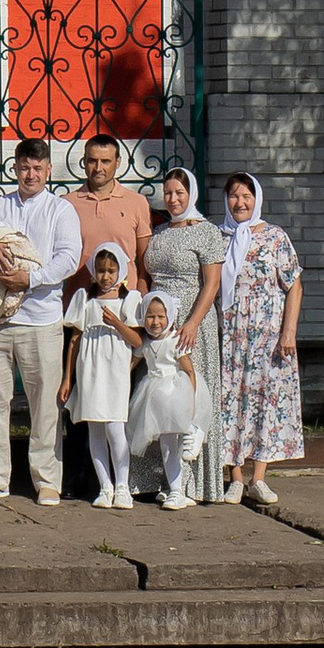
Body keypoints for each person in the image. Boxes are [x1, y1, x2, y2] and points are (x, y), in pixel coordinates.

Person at [0, 135, 82, 502]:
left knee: (45, 403)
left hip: (41, 318)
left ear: (48, 170)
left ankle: (47, 480)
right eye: (24, 168)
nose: (30, 174)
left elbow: (68, 257)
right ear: (14, 169)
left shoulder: (59, 210)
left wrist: (30, 278)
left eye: (37, 168)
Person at [210, 170, 304, 505]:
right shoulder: (216, 237)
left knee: (265, 400)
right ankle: (234, 476)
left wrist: (288, 332)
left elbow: (294, 286)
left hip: (268, 335)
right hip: (231, 336)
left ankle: (259, 477)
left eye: (246, 196)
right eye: (234, 195)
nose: (240, 202)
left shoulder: (275, 237)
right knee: (231, 401)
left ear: (257, 199)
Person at [143, 165, 229, 507]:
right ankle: (169, 479)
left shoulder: (206, 232)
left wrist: (192, 323)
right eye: (168, 193)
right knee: (162, 400)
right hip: (160, 326)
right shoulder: (160, 232)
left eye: (179, 193)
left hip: (193, 326)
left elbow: (212, 283)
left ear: (191, 194)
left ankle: (195, 484)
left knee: (191, 399)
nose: (173, 199)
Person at [61, 241, 145, 507]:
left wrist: (116, 322)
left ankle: (123, 485)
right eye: (100, 271)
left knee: (115, 427)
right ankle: (105, 486)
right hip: (90, 369)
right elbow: (74, 339)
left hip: (116, 370)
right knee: (95, 428)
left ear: (120, 271)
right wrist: (67, 378)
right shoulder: (84, 299)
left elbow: (137, 341)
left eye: (111, 271)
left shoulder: (129, 300)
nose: (105, 276)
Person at [127, 293, 204, 505]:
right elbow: (131, 364)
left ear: (169, 316)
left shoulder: (174, 341)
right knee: (166, 444)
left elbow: (189, 371)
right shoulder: (145, 343)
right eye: (150, 316)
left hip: (174, 391)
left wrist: (191, 401)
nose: (155, 322)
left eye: (161, 316)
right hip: (153, 397)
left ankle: (192, 430)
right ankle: (176, 489)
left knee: (172, 441)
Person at [75, 133, 153, 290]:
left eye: (105, 161)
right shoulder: (67, 203)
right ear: (84, 162)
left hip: (124, 301)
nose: (98, 168)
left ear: (118, 163)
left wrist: (142, 294)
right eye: (92, 161)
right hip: (79, 300)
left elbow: (146, 261)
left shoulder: (137, 202)